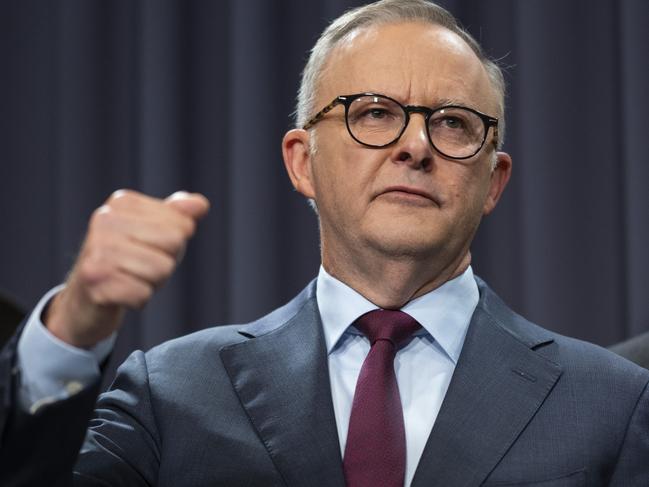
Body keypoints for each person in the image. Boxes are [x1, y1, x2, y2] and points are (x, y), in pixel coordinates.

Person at [1, 0, 648, 485]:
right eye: (373, 113)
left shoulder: (611, 405)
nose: (414, 145)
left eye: (452, 123)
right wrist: (73, 331)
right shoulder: (170, 394)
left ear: (493, 181)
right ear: (301, 161)